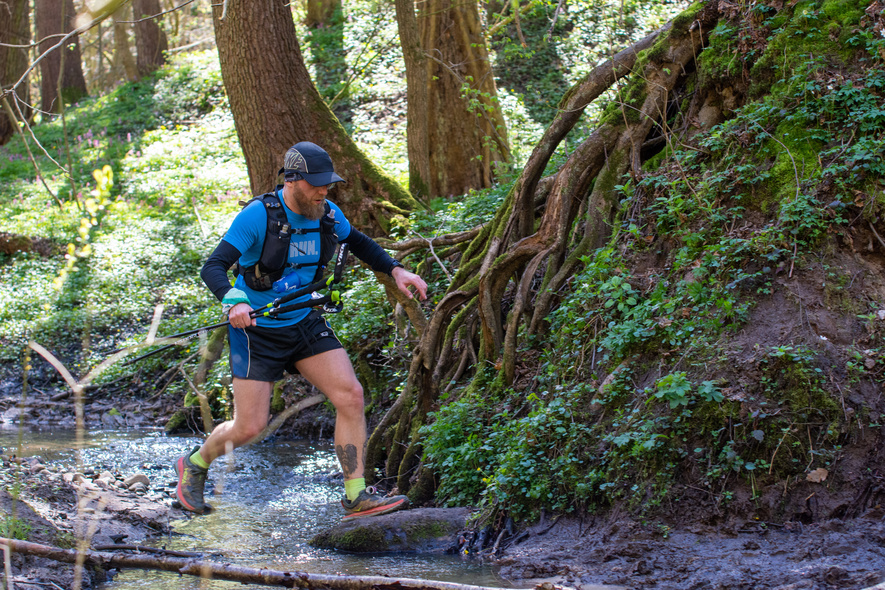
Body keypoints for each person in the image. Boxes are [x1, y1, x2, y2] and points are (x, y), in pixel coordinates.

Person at [175, 141, 428, 520]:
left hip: (303, 320)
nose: (324, 191)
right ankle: (195, 463)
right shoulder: (258, 216)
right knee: (250, 426)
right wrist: (234, 300)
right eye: (316, 183)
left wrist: (396, 269)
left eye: (328, 183)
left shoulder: (327, 213)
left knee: (351, 396)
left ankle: (356, 495)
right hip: (256, 330)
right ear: (291, 180)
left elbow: (359, 243)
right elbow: (213, 266)